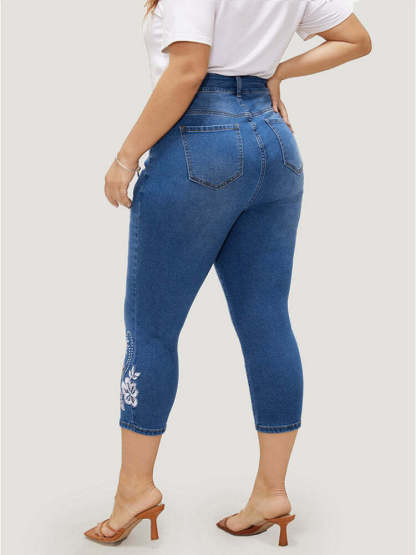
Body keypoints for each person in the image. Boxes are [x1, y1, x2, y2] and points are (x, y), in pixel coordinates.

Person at [84, 0, 372, 547]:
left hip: (200, 143)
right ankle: (271, 492)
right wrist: (277, 72)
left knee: (151, 329)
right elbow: (356, 39)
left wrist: (125, 157)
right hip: (275, 144)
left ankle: (134, 491)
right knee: (268, 321)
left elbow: (189, 68)